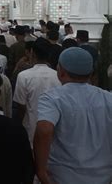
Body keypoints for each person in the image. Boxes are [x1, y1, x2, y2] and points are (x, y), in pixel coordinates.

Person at [34, 47, 112, 184]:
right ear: (90, 72)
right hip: (103, 177)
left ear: (61, 71)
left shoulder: (52, 98)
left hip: (62, 177)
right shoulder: (107, 98)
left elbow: (44, 129)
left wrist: (41, 170)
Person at [13, 39, 60, 145]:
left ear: (32, 53)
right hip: (54, 128)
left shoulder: (24, 76)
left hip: (30, 127)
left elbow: (21, 106)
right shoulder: (57, 76)